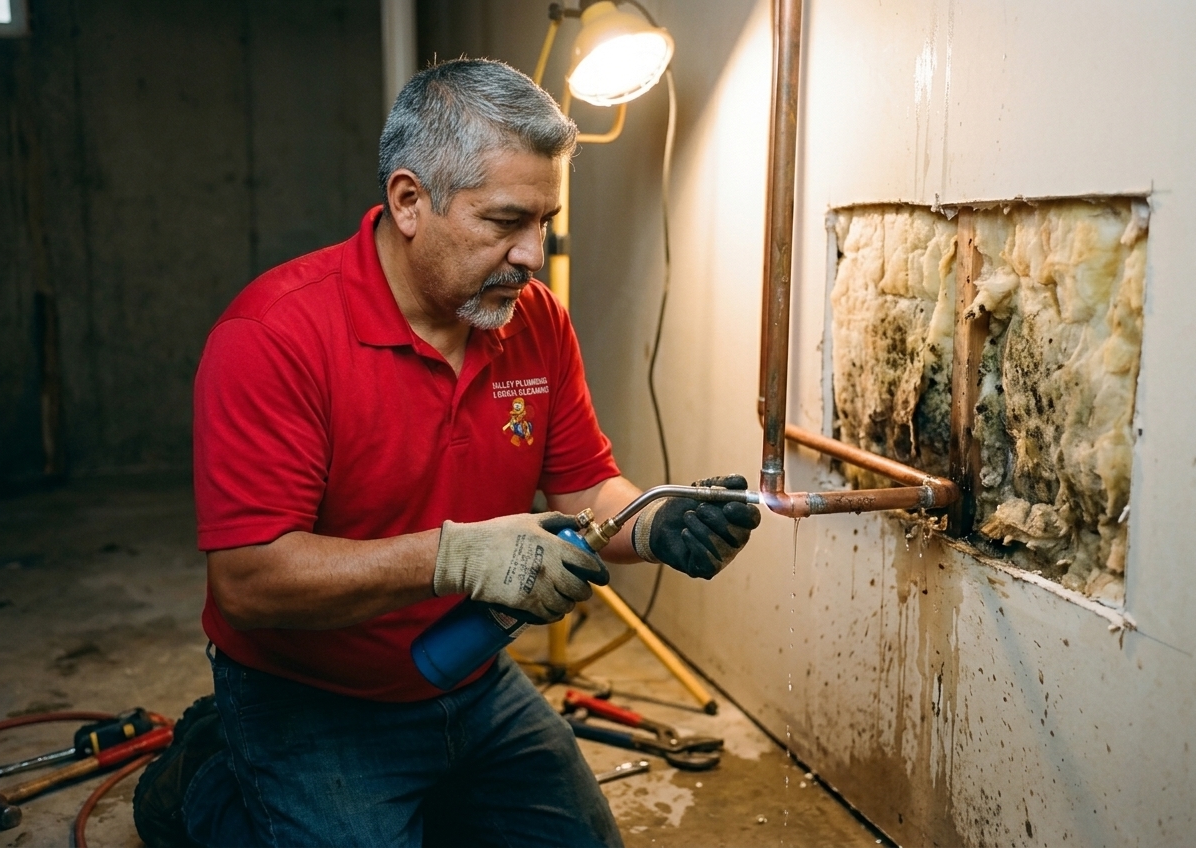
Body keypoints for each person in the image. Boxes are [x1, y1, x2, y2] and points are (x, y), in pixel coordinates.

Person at [134, 58, 760, 848]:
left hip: (468, 675)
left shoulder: (534, 323)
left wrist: (657, 521)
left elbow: (586, 489)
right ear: (408, 201)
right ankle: (207, 776)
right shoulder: (274, 339)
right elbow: (249, 583)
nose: (533, 255)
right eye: (505, 222)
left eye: (544, 222)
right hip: (311, 692)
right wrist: (455, 557)